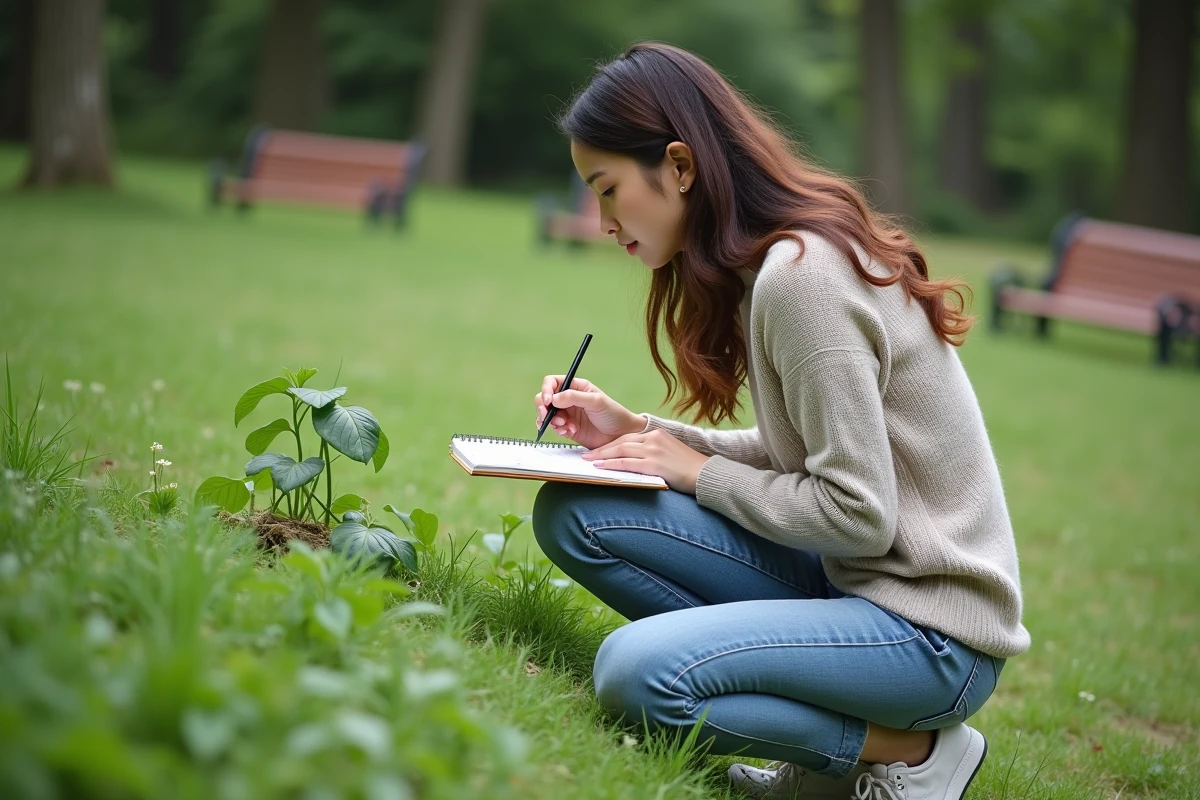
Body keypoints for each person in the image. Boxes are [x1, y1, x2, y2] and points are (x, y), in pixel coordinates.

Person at [531, 42, 1029, 800]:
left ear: (680, 166)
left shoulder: (803, 281)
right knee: (577, 511)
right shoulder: (771, 267)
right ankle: (804, 714)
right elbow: (797, 455)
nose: (602, 221)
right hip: (853, 586)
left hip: (931, 636)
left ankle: (913, 753)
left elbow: (858, 512)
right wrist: (638, 431)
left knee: (637, 673)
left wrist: (697, 471)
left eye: (607, 189)